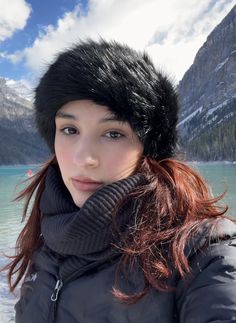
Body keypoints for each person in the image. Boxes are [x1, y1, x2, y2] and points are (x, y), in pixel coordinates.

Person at [3, 39, 236, 323]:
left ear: (147, 149)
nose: (83, 157)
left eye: (113, 133)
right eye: (69, 129)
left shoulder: (200, 254)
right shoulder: (45, 241)